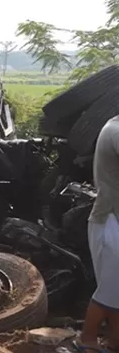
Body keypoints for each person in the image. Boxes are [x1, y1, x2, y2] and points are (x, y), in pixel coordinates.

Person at [75, 116, 119, 352]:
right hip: (110, 220)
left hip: (112, 219)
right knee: (111, 289)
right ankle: (87, 340)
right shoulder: (116, 131)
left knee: (116, 289)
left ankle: (114, 342)